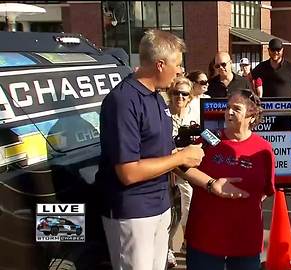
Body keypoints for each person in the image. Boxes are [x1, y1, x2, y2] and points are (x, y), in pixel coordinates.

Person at [95, 30, 245, 270]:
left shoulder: (156, 97)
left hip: (160, 207)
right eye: (177, 64)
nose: (180, 71)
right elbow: (128, 172)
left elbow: (169, 158)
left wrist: (210, 183)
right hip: (133, 213)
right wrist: (183, 156)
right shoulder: (122, 102)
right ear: (160, 64)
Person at [181, 89, 275, 270]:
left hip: (245, 240)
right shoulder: (208, 139)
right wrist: (211, 185)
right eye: (227, 107)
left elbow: (265, 191)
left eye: (236, 108)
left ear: (252, 116)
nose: (229, 112)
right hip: (205, 238)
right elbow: (182, 167)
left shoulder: (264, 149)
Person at [165, 76, 199, 268]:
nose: (180, 97)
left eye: (184, 94)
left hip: (187, 172)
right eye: (176, 93)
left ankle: (188, 243)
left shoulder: (194, 118)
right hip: (165, 171)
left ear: (190, 97)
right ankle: (168, 249)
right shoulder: (163, 114)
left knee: (187, 209)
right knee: (168, 213)